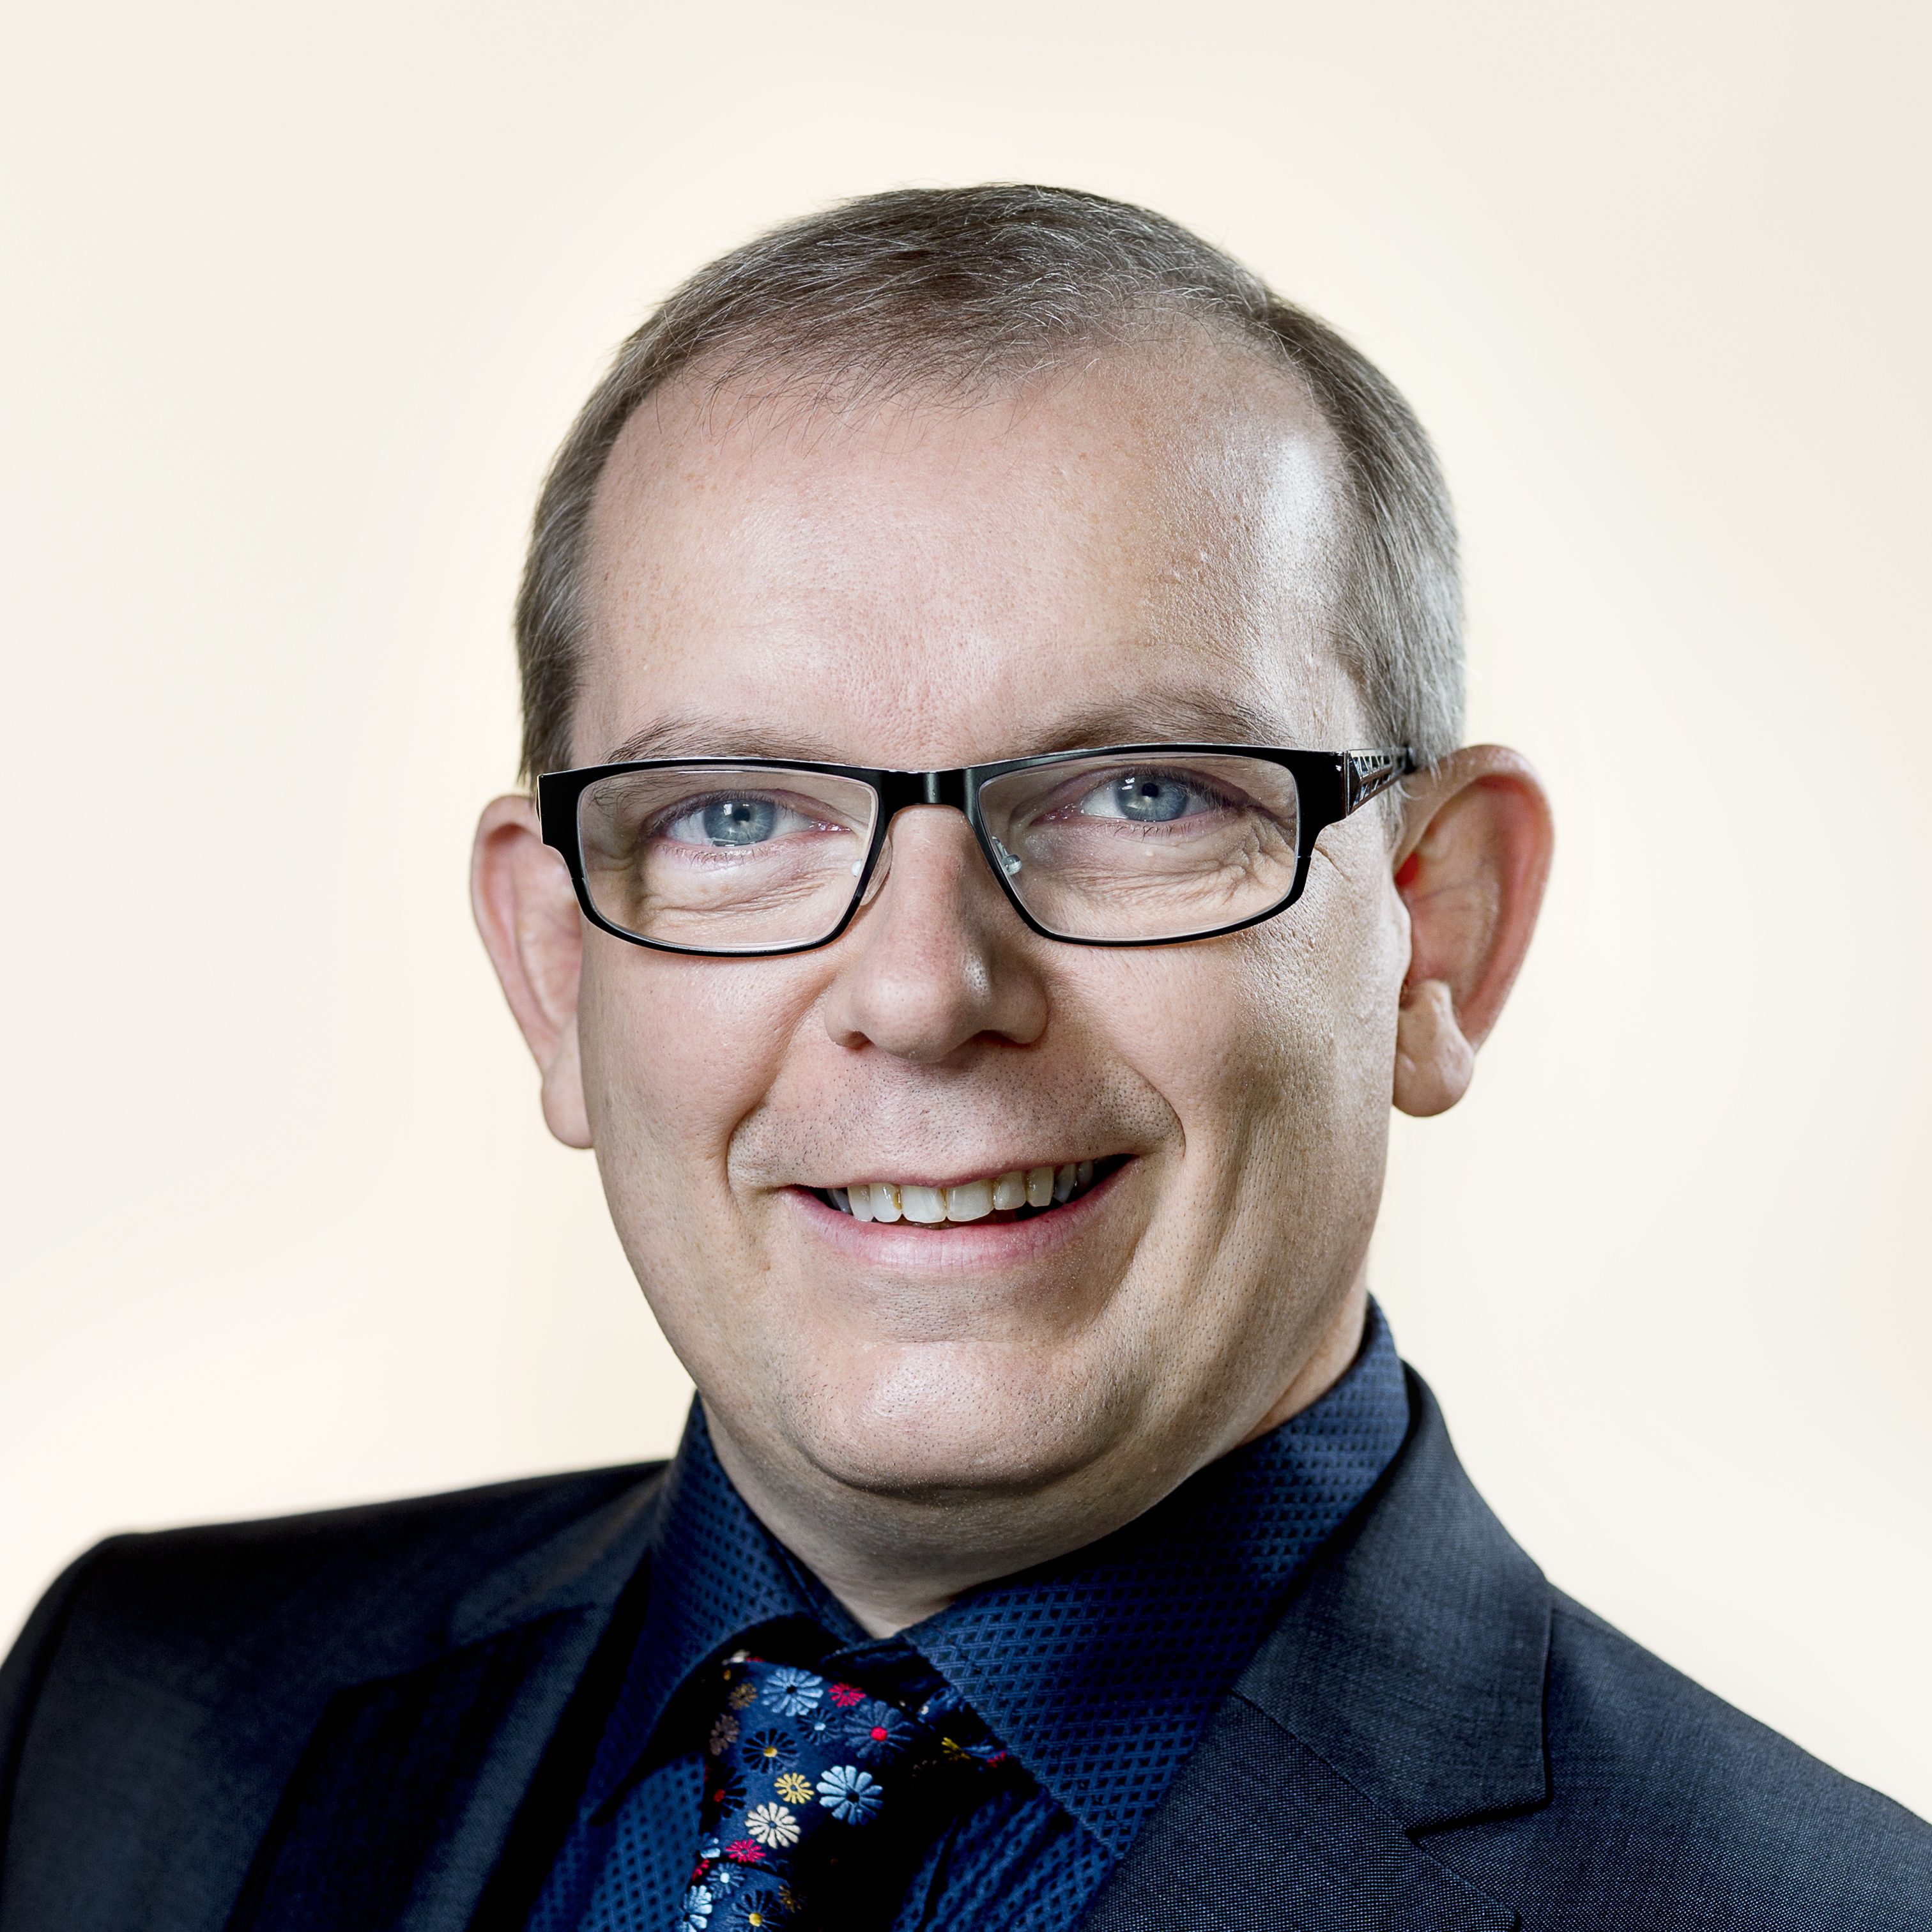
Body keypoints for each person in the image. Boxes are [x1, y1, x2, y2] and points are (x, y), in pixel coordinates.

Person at [1, 185, 1924, 1932]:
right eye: (738, 816)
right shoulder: (128, 1714)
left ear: (1440, 929)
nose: (923, 991)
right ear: (555, 965)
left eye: (1143, 794)